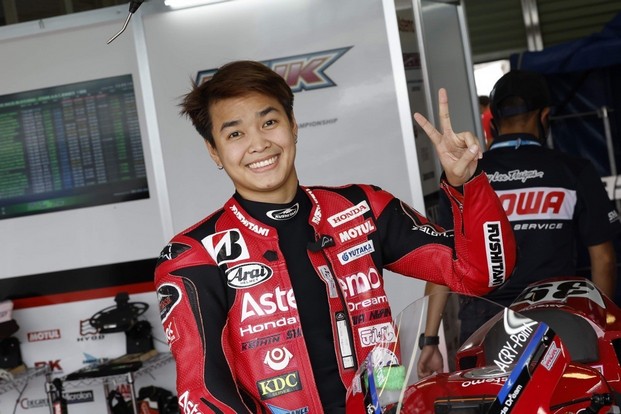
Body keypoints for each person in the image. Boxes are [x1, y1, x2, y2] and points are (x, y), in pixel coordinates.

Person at [153, 60, 516, 413]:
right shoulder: (193, 256)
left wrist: (467, 183)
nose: (258, 143)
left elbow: (480, 273)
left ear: (293, 125)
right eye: (235, 133)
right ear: (214, 150)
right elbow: (202, 393)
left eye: (269, 122)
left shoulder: (362, 208)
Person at [418, 69, 621, 378]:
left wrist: (430, 340)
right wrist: (598, 327)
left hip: (483, 324)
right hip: (555, 317)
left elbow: (445, 260)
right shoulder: (573, 170)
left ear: (494, 120)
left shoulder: (465, 175)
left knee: (489, 399)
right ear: (544, 116)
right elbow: (603, 259)